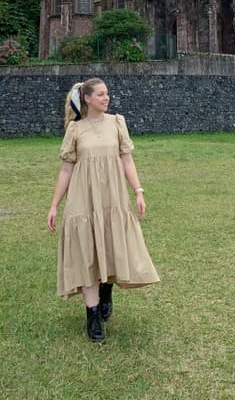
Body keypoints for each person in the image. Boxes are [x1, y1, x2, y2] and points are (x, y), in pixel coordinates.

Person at [47, 77, 159, 343]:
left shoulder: (116, 123)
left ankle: (106, 289)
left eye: (107, 93)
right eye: (100, 94)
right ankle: (93, 315)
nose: (105, 98)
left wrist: (138, 191)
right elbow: (66, 169)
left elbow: (127, 159)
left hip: (112, 196)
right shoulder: (75, 130)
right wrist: (54, 205)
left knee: (109, 244)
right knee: (86, 248)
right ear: (86, 99)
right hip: (83, 198)